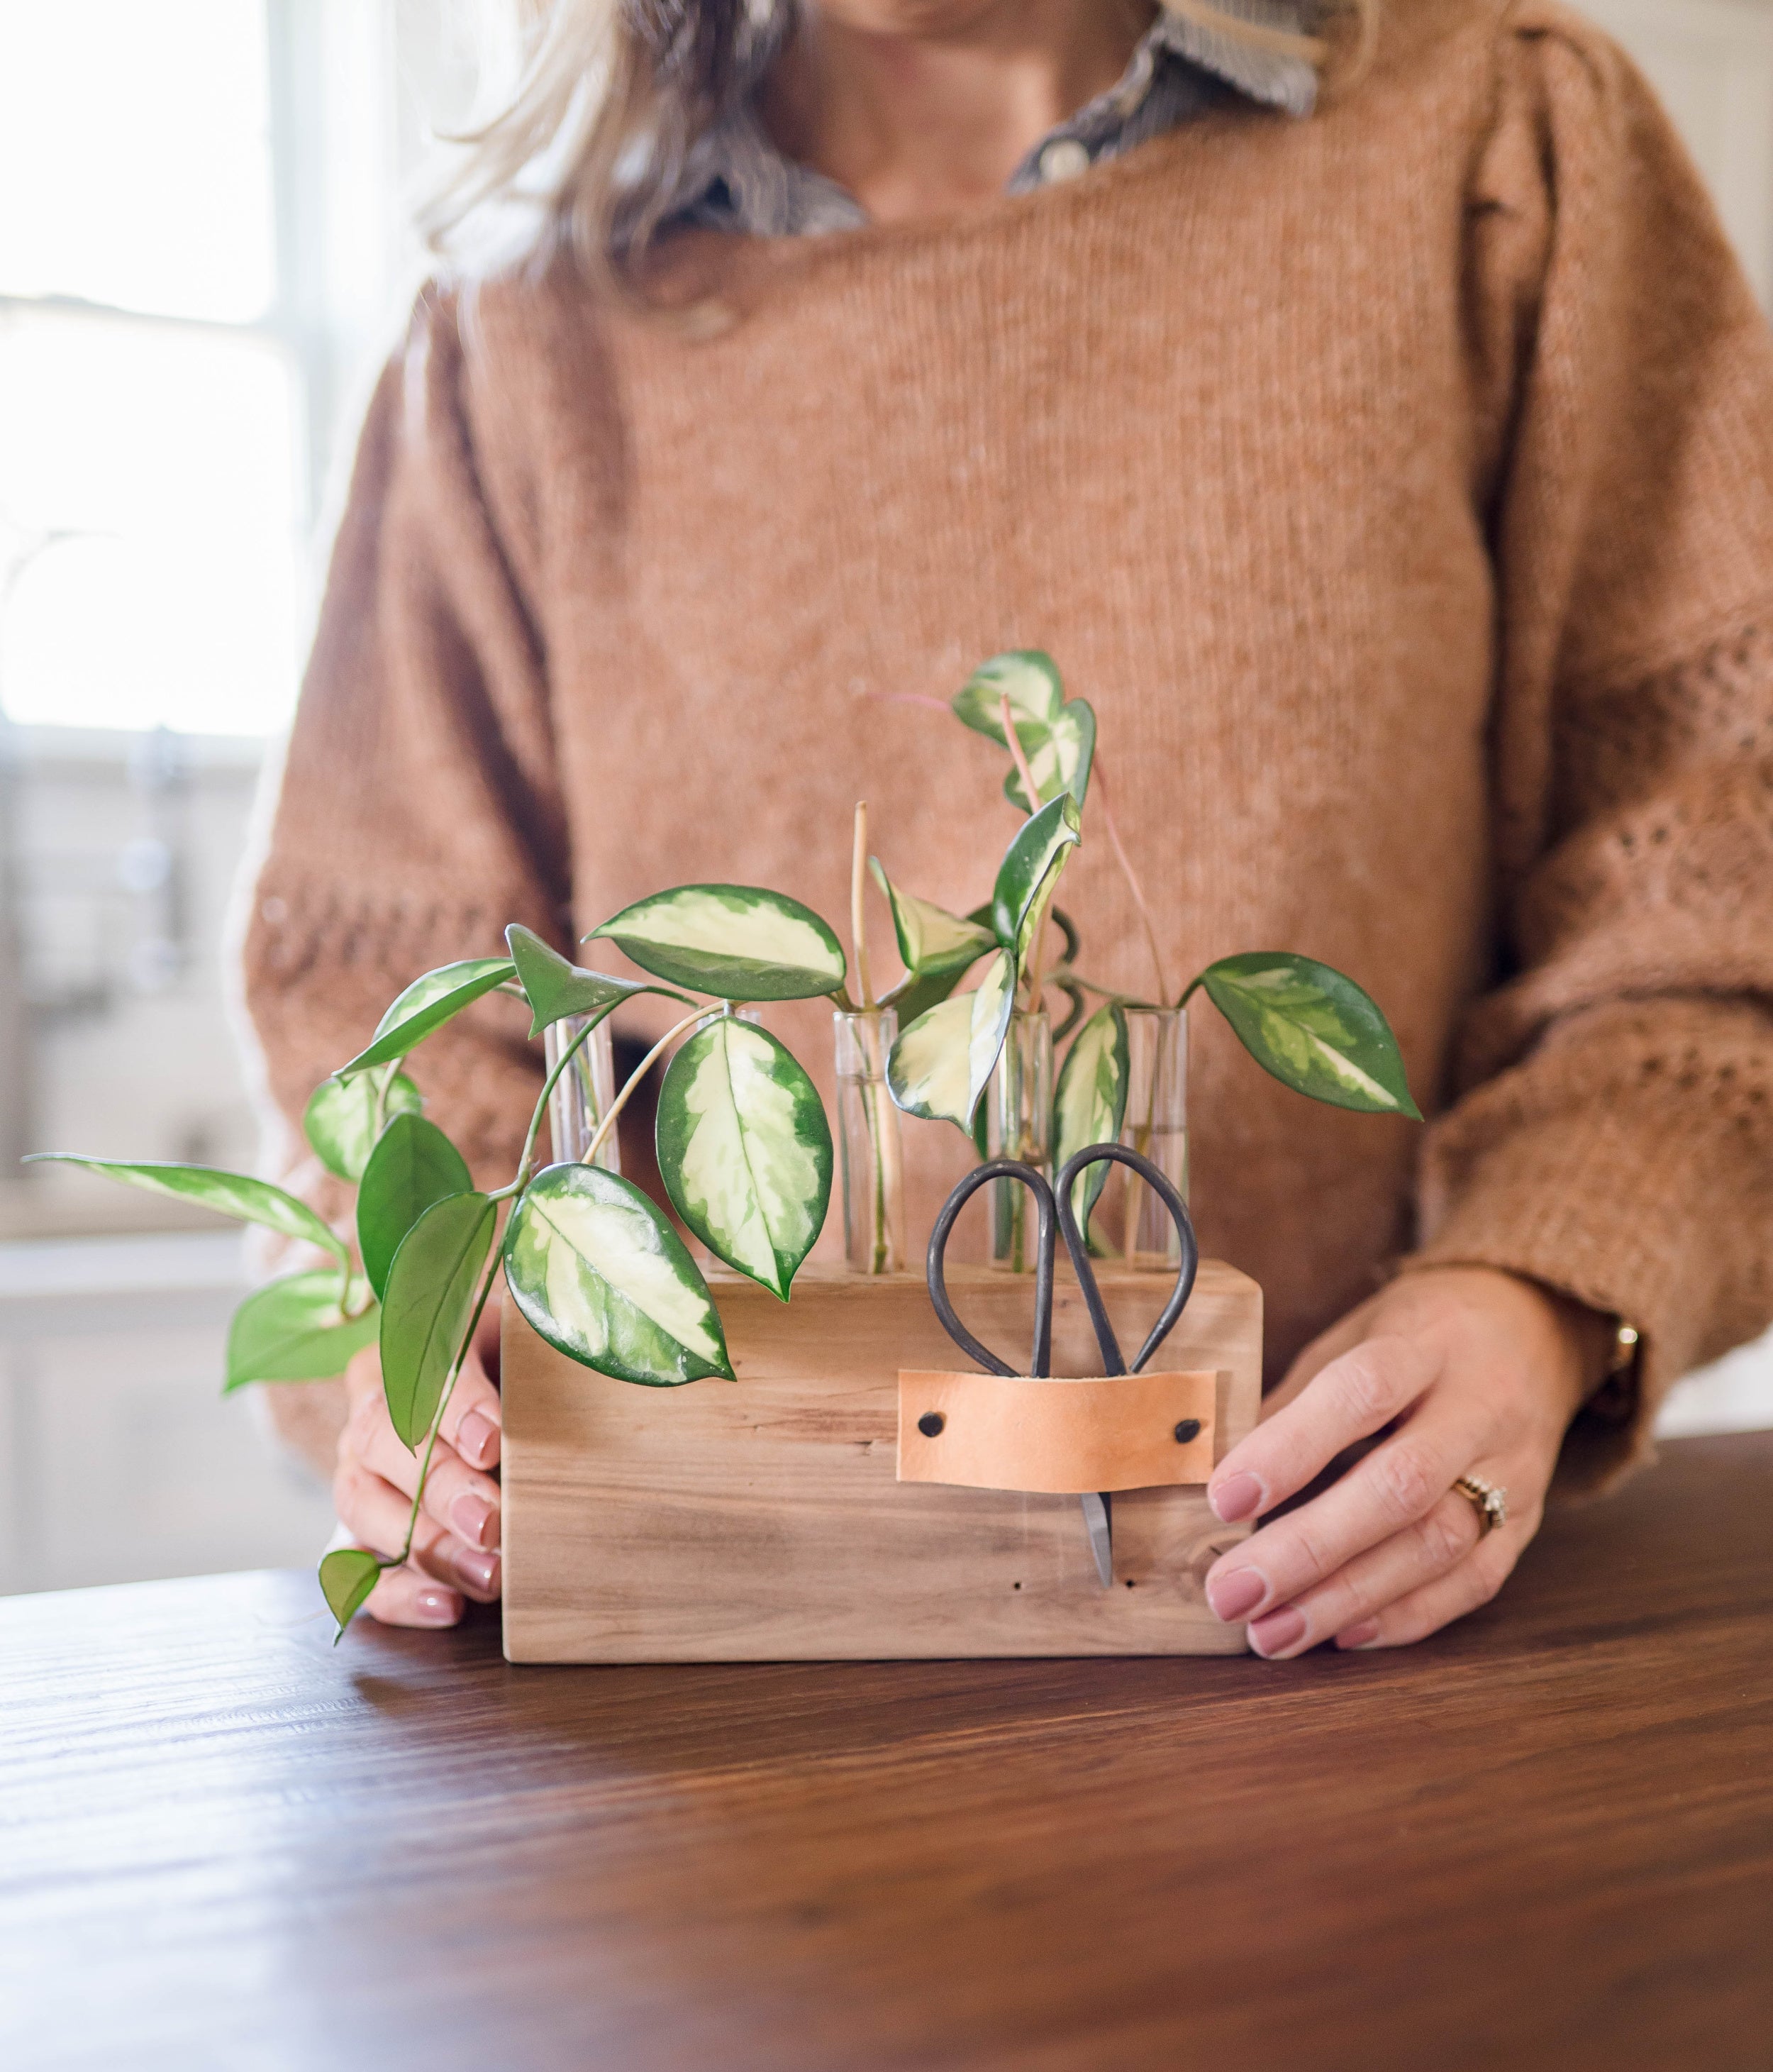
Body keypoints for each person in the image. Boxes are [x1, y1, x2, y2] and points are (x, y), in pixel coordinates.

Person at [245, 0, 1773, 1656]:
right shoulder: (517, 329)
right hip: (690, 1700)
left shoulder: (1497, 141)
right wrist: (420, 1356)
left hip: (1323, 1636)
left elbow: (1711, 910)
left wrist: (1537, 1300)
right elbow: (386, 1021)